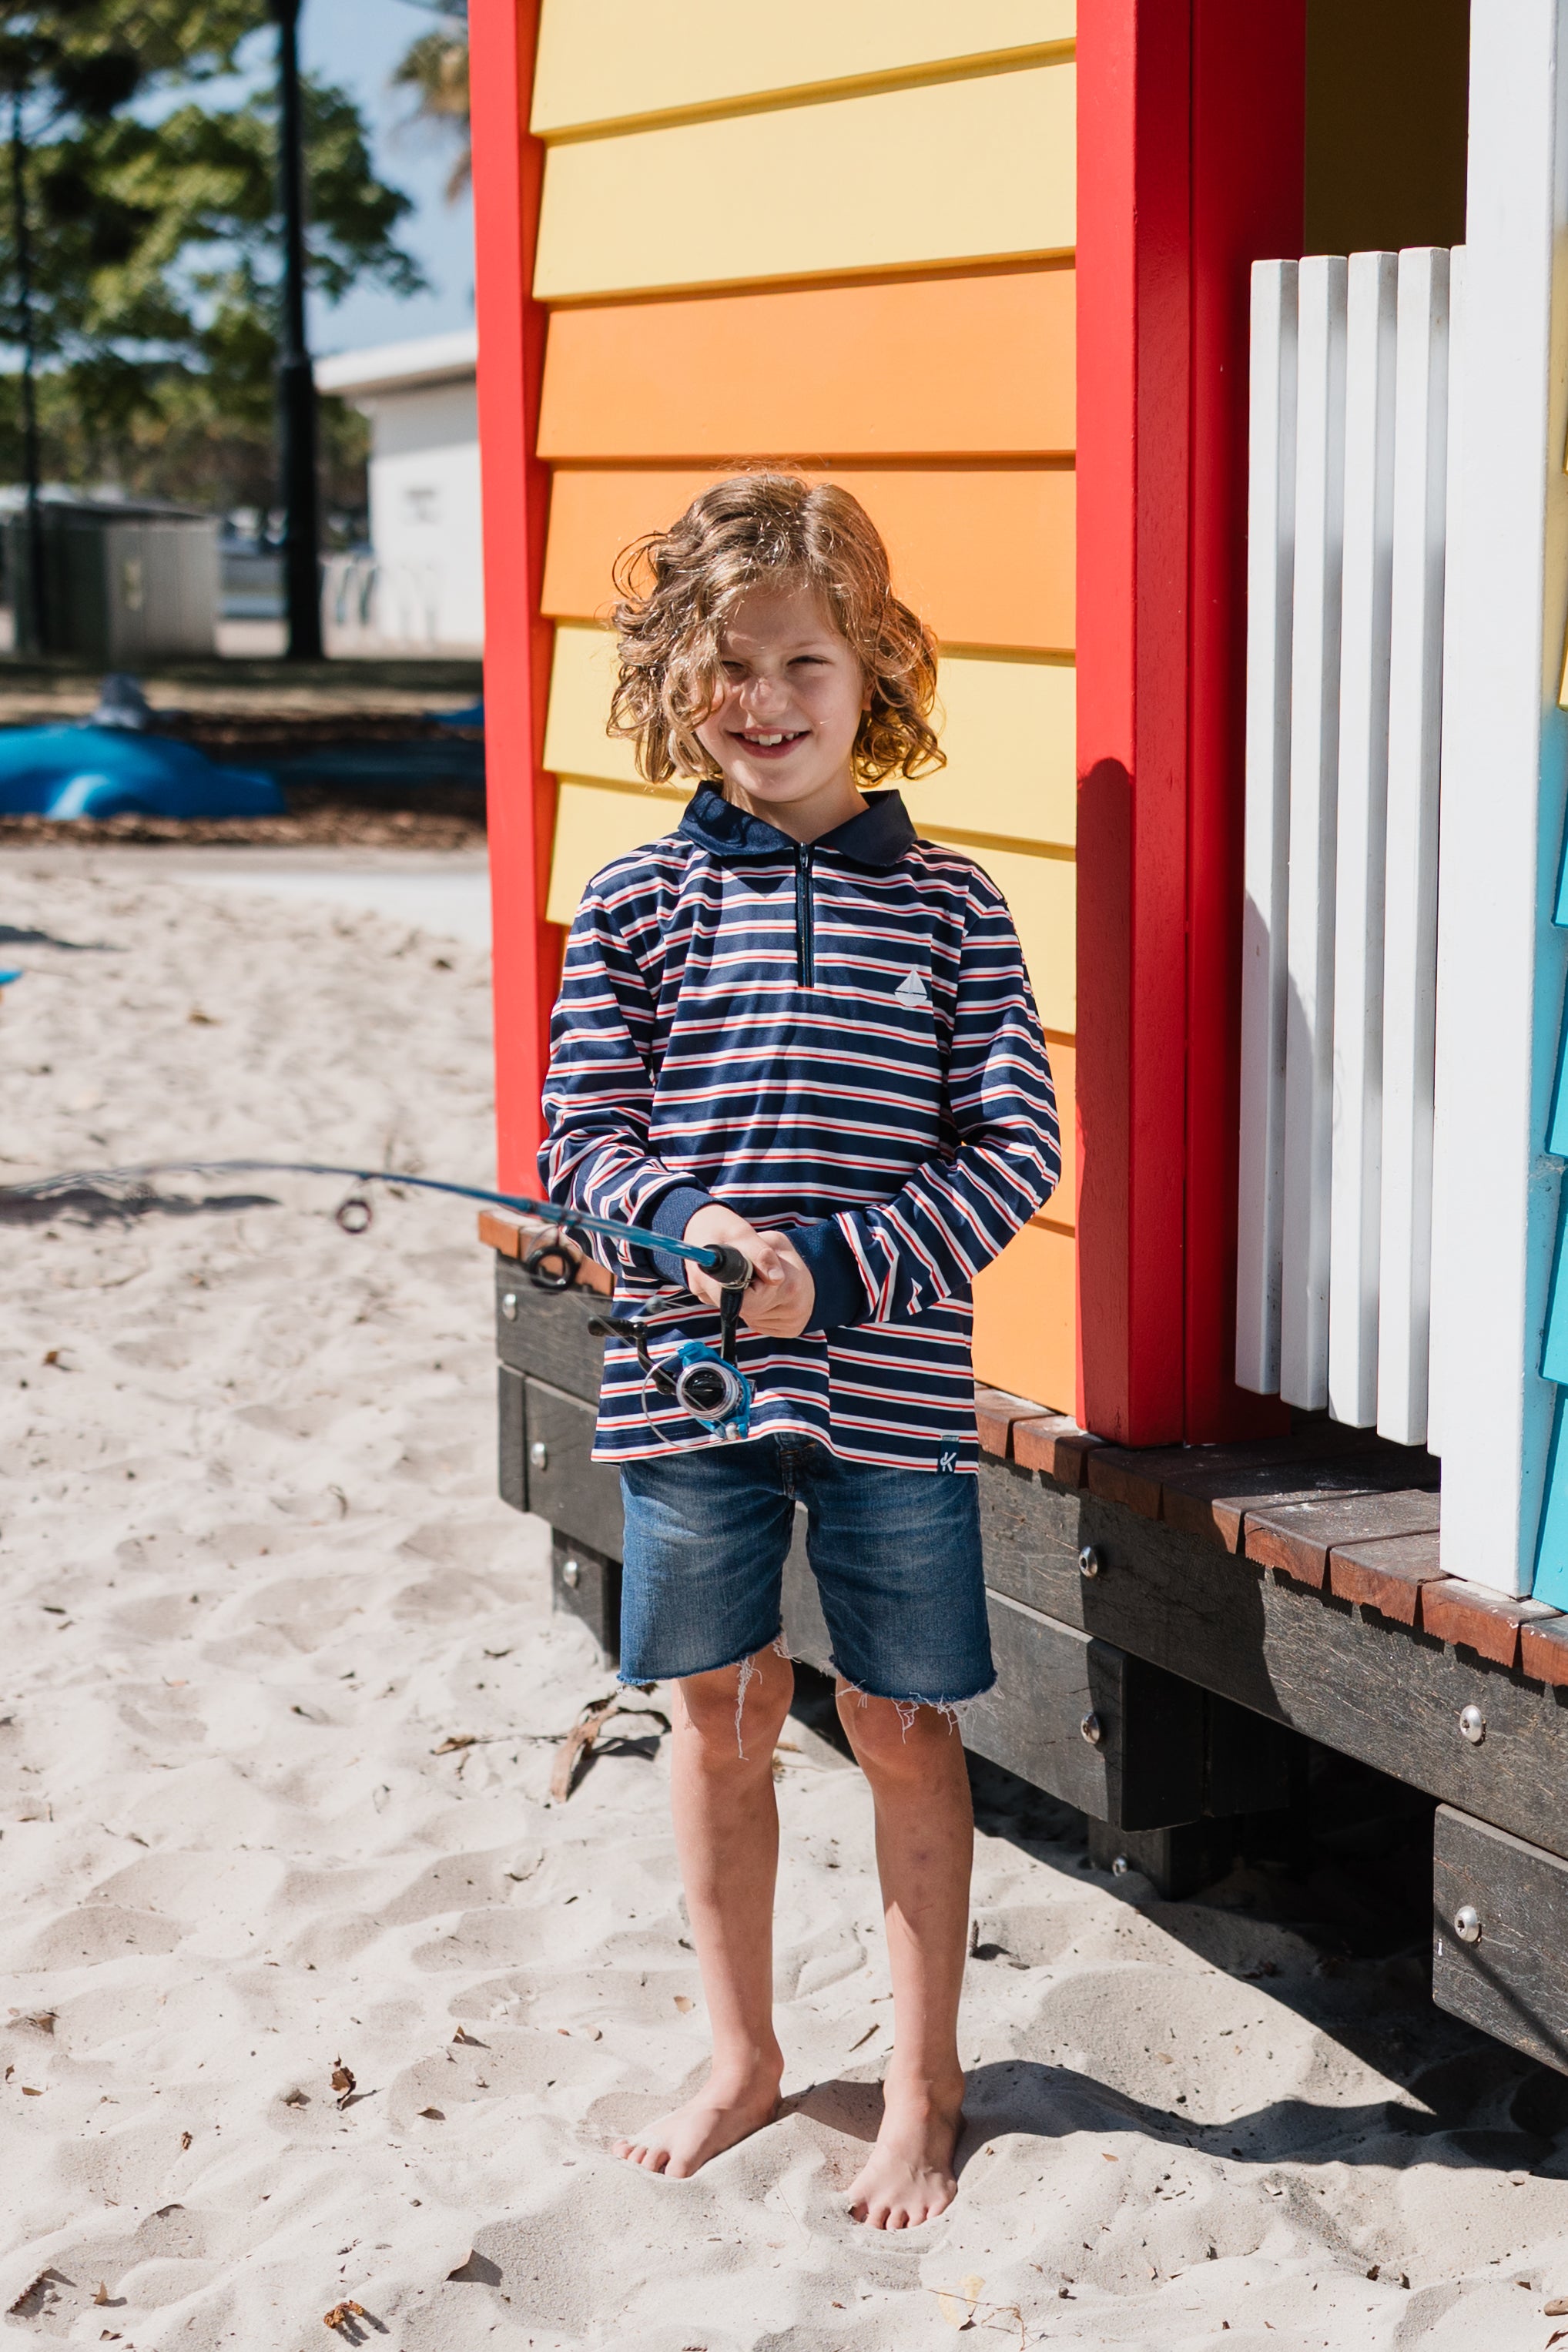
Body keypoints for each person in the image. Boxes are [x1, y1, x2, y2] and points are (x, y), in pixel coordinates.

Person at [541, 474, 1060, 2228]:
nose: (764, 700)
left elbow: (1015, 1152)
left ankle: (923, 2085)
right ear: (671, 683)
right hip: (683, 1386)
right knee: (721, 1709)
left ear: (874, 671)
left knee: (899, 1718)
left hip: (891, 1390)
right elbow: (580, 1141)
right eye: (729, 667)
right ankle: (744, 2055)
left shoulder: (955, 911)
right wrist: (681, 1223)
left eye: (803, 663)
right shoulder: (635, 901)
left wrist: (833, 1272)